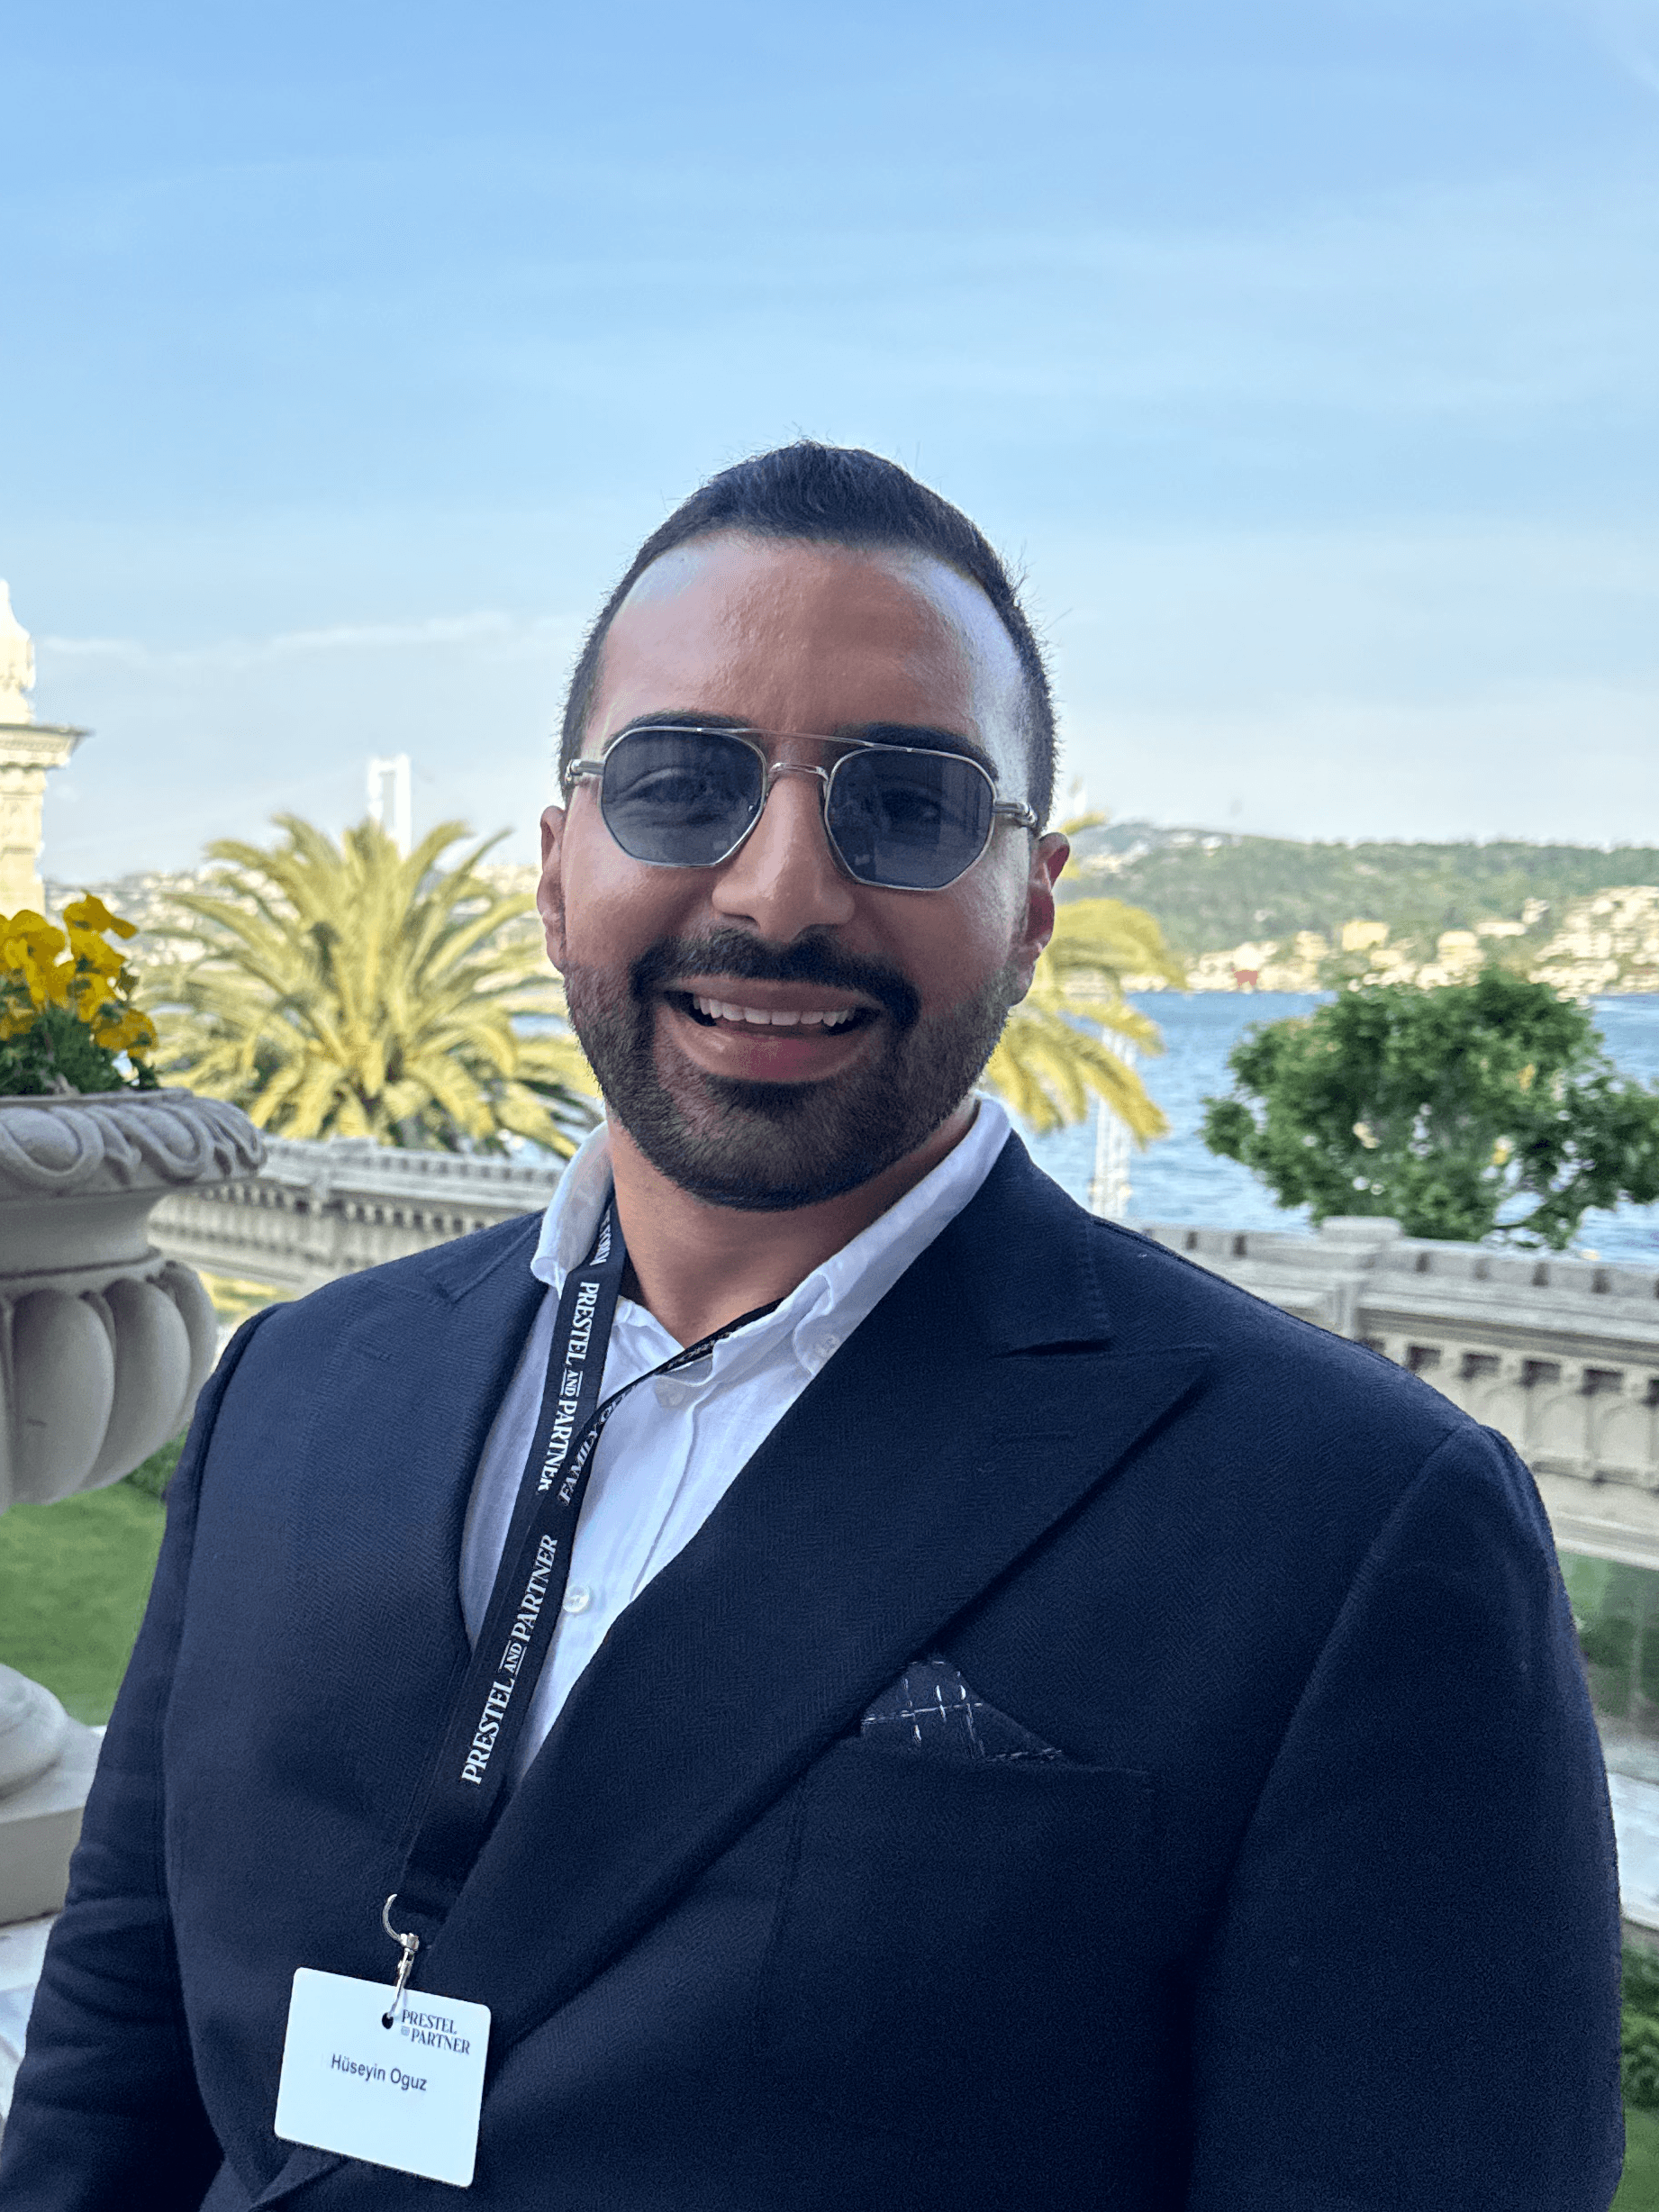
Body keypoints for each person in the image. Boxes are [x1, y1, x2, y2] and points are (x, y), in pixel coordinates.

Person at [0, 443, 1621, 2211]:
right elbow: (114, 2038)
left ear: (1035, 901)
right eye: (684, 784)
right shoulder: (300, 1389)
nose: (778, 892)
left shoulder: (1350, 1524)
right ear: (558, 868)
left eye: (908, 803)